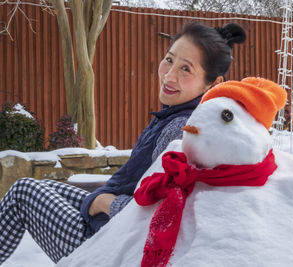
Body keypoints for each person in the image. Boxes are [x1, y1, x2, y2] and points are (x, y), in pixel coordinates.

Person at [0, 21, 246, 264]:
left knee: (24, 191)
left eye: (186, 69)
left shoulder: (179, 130)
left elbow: (163, 212)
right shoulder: (175, 115)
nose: (169, 75)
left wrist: (107, 202)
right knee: (49, 188)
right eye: (169, 60)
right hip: (113, 227)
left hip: (111, 246)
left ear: (214, 84)